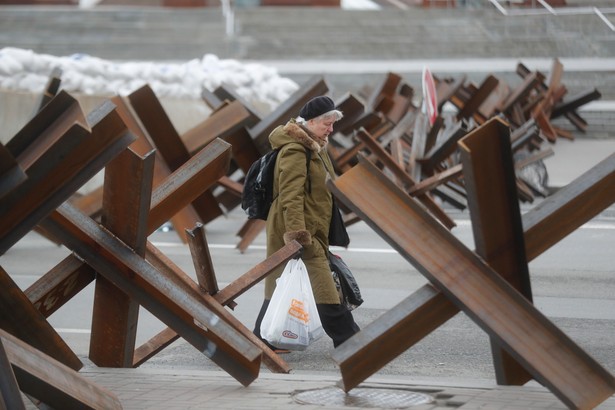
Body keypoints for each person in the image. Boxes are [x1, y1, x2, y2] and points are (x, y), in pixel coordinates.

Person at [253, 95, 360, 351]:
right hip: (298, 228)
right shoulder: (295, 149)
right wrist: (297, 235)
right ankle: (349, 338)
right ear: (310, 121)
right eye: (327, 122)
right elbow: (291, 194)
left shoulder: (315, 146)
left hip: (312, 225)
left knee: (283, 281)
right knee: (322, 282)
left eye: (333, 123)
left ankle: (261, 338)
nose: (331, 128)